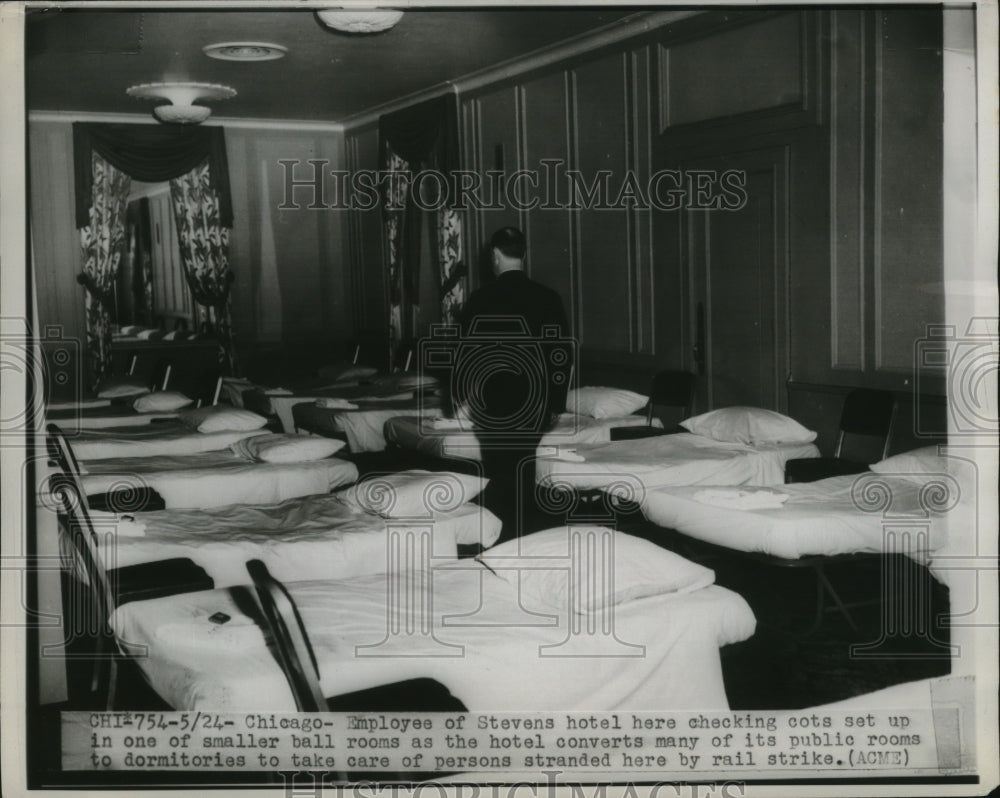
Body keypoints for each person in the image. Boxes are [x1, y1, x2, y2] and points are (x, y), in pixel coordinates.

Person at [455, 227, 572, 542]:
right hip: (534, 405)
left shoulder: (480, 299)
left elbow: (464, 358)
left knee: (498, 472)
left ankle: (501, 540)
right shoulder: (548, 298)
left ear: (495, 256)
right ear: (524, 254)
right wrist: (556, 405)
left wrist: (466, 397)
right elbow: (561, 357)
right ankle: (526, 538)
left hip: (494, 404)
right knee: (523, 469)